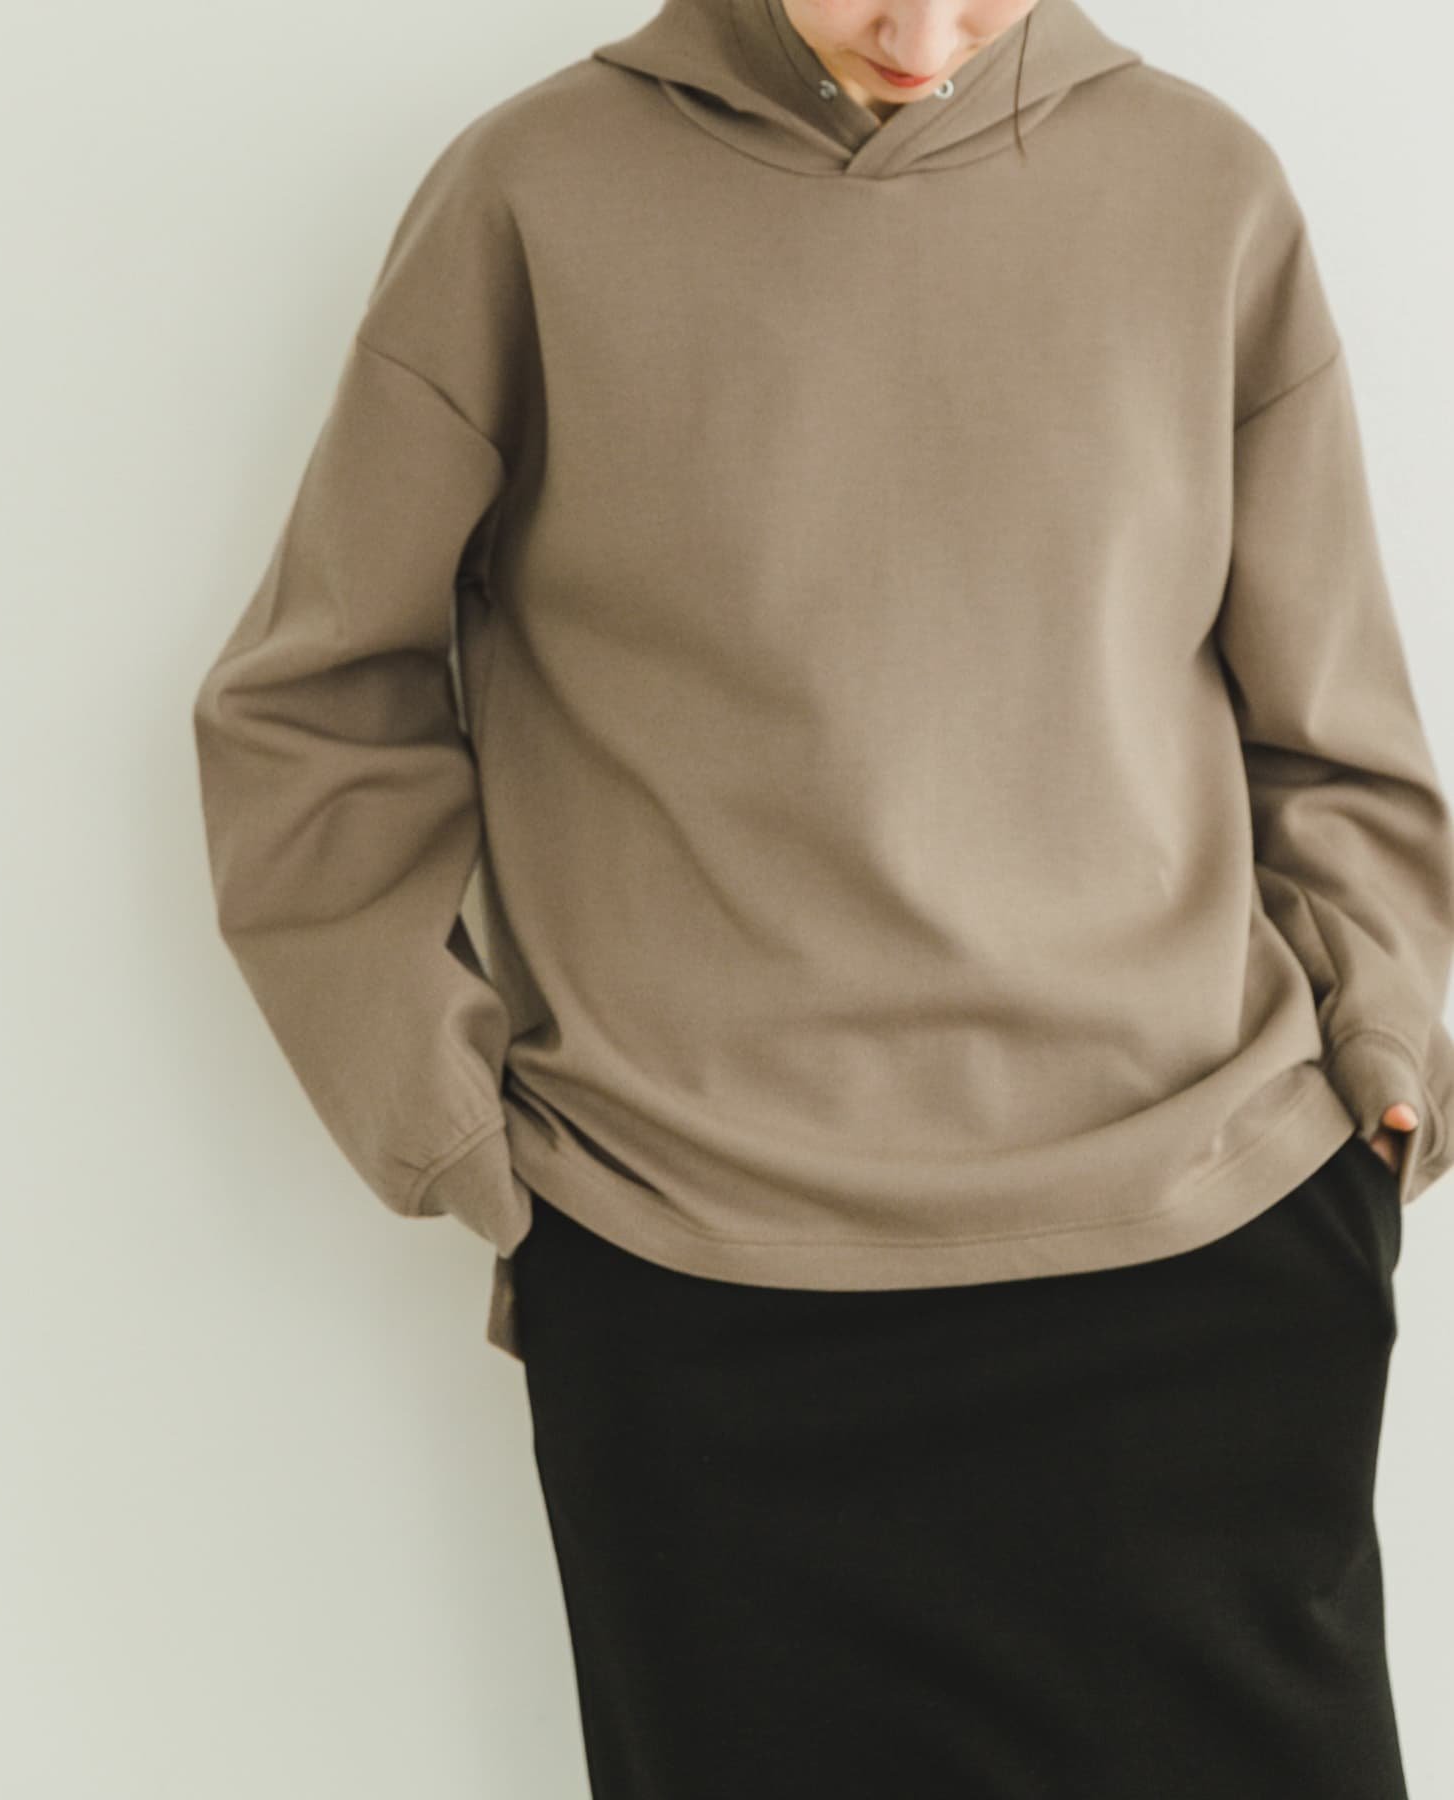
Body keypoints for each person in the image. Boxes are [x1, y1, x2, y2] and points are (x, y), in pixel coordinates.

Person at [191, 0, 1454, 1793]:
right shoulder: (531, 197)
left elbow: (1334, 729)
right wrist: (451, 1127)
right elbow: (313, 706)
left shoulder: (1204, 187)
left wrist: (1381, 1054)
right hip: (704, 1290)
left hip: (1206, 1254)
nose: (923, 41)